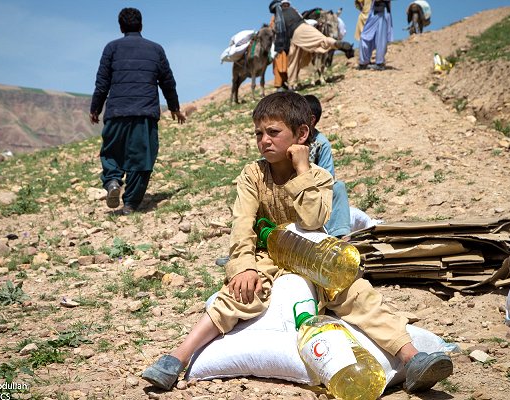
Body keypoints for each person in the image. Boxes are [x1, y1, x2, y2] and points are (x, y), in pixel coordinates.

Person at [141, 91, 453, 393]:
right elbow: (243, 224)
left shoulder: (317, 176)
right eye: (259, 133)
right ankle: (176, 359)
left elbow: (313, 221)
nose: (264, 140)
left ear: (301, 133)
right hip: (267, 255)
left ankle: (413, 359)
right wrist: (243, 267)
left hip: (313, 251)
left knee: (356, 294)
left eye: (274, 132)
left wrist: (302, 170)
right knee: (237, 296)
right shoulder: (253, 175)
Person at [90, 8, 186, 215]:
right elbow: (167, 82)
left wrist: (95, 109)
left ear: (121, 27)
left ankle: (113, 180)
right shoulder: (156, 50)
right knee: (141, 159)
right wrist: (174, 108)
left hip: (117, 112)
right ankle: (130, 204)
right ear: (141, 25)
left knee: (111, 153)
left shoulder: (111, 48)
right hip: (145, 114)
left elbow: (101, 84)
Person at [269, 0, 355, 91]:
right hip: (306, 27)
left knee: (293, 61)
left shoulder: (278, 16)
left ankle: (292, 85)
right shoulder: (293, 10)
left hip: (295, 34)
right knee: (322, 40)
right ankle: (335, 43)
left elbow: (279, 31)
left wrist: (280, 46)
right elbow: (302, 18)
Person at [304, 94, 351, 237]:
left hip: (313, 190)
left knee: (337, 187)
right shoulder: (286, 137)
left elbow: (327, 178)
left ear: (312, 120)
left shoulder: (320, 143)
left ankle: (339, 236)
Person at [358, 0, 393, 71]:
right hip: (373, 13)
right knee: (365, 36)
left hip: (382, 14)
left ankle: (379, 63)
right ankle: (364, 62)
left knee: (380, 39)